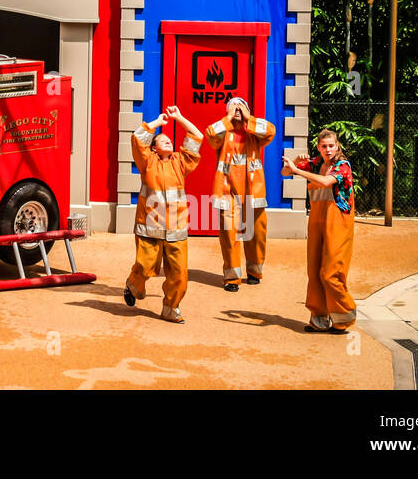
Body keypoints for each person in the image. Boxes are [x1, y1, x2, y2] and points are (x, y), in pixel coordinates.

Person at [123, 105, 204, 323]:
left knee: (180, 275)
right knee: (145, 267)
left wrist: (179, 117)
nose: (167, 141)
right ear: (154, 148)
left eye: (169, 139)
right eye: (162, 140)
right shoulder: (147, 161)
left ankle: (170, 308)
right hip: (149, 227)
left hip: (176, 229)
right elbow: (137, 136)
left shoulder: (181, 161)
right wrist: (159, 122)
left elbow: (197, 136)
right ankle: (133, 285)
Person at [284, 129, 357, 333]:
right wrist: (295, 161)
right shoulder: (316, 163)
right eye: (324, 146)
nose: (327, 150)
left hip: (338, 222)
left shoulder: (343, 166)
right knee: (314, 271)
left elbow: (325, 181)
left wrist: (297, 170)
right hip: (317, 221)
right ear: (318, 147)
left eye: (331, 145)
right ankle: (319, 319)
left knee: (330, 273)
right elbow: (285, 172)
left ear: (337, 146)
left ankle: (346, 313)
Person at [205, 96, 275, 291]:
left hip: (253, 193)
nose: (237, 109)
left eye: (241, 106)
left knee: (257, 234)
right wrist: (228, 118)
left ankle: (254, 272)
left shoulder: (254, 132)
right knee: (229, 235)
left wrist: (248, 118)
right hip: (228, 193)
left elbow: (271, 131)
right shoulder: (222, 133)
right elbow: (210, 135)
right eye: (233, 106)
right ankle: (232, 278)